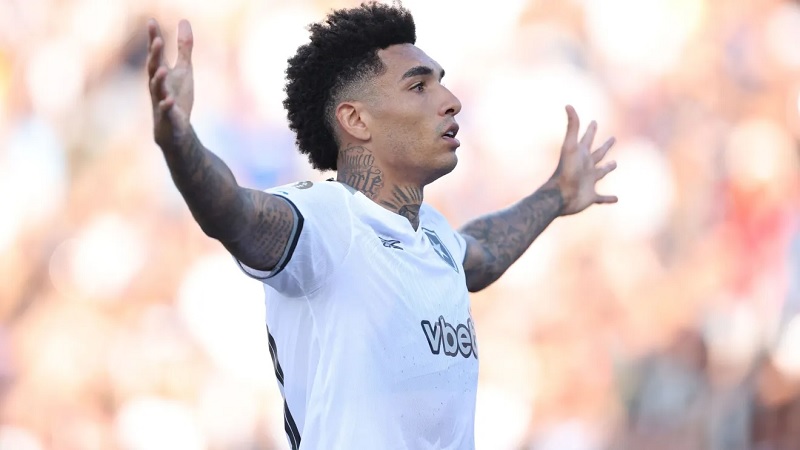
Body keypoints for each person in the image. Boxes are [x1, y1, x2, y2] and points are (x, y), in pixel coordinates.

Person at [146, 3, 616, 449]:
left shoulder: (433, 236)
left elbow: (484, 252)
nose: (451, 102)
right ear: (356, 119)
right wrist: (180, 141)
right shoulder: (327, 220)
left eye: (442, 83)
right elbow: (232, 212)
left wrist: (557, 194)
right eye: (419, 87)